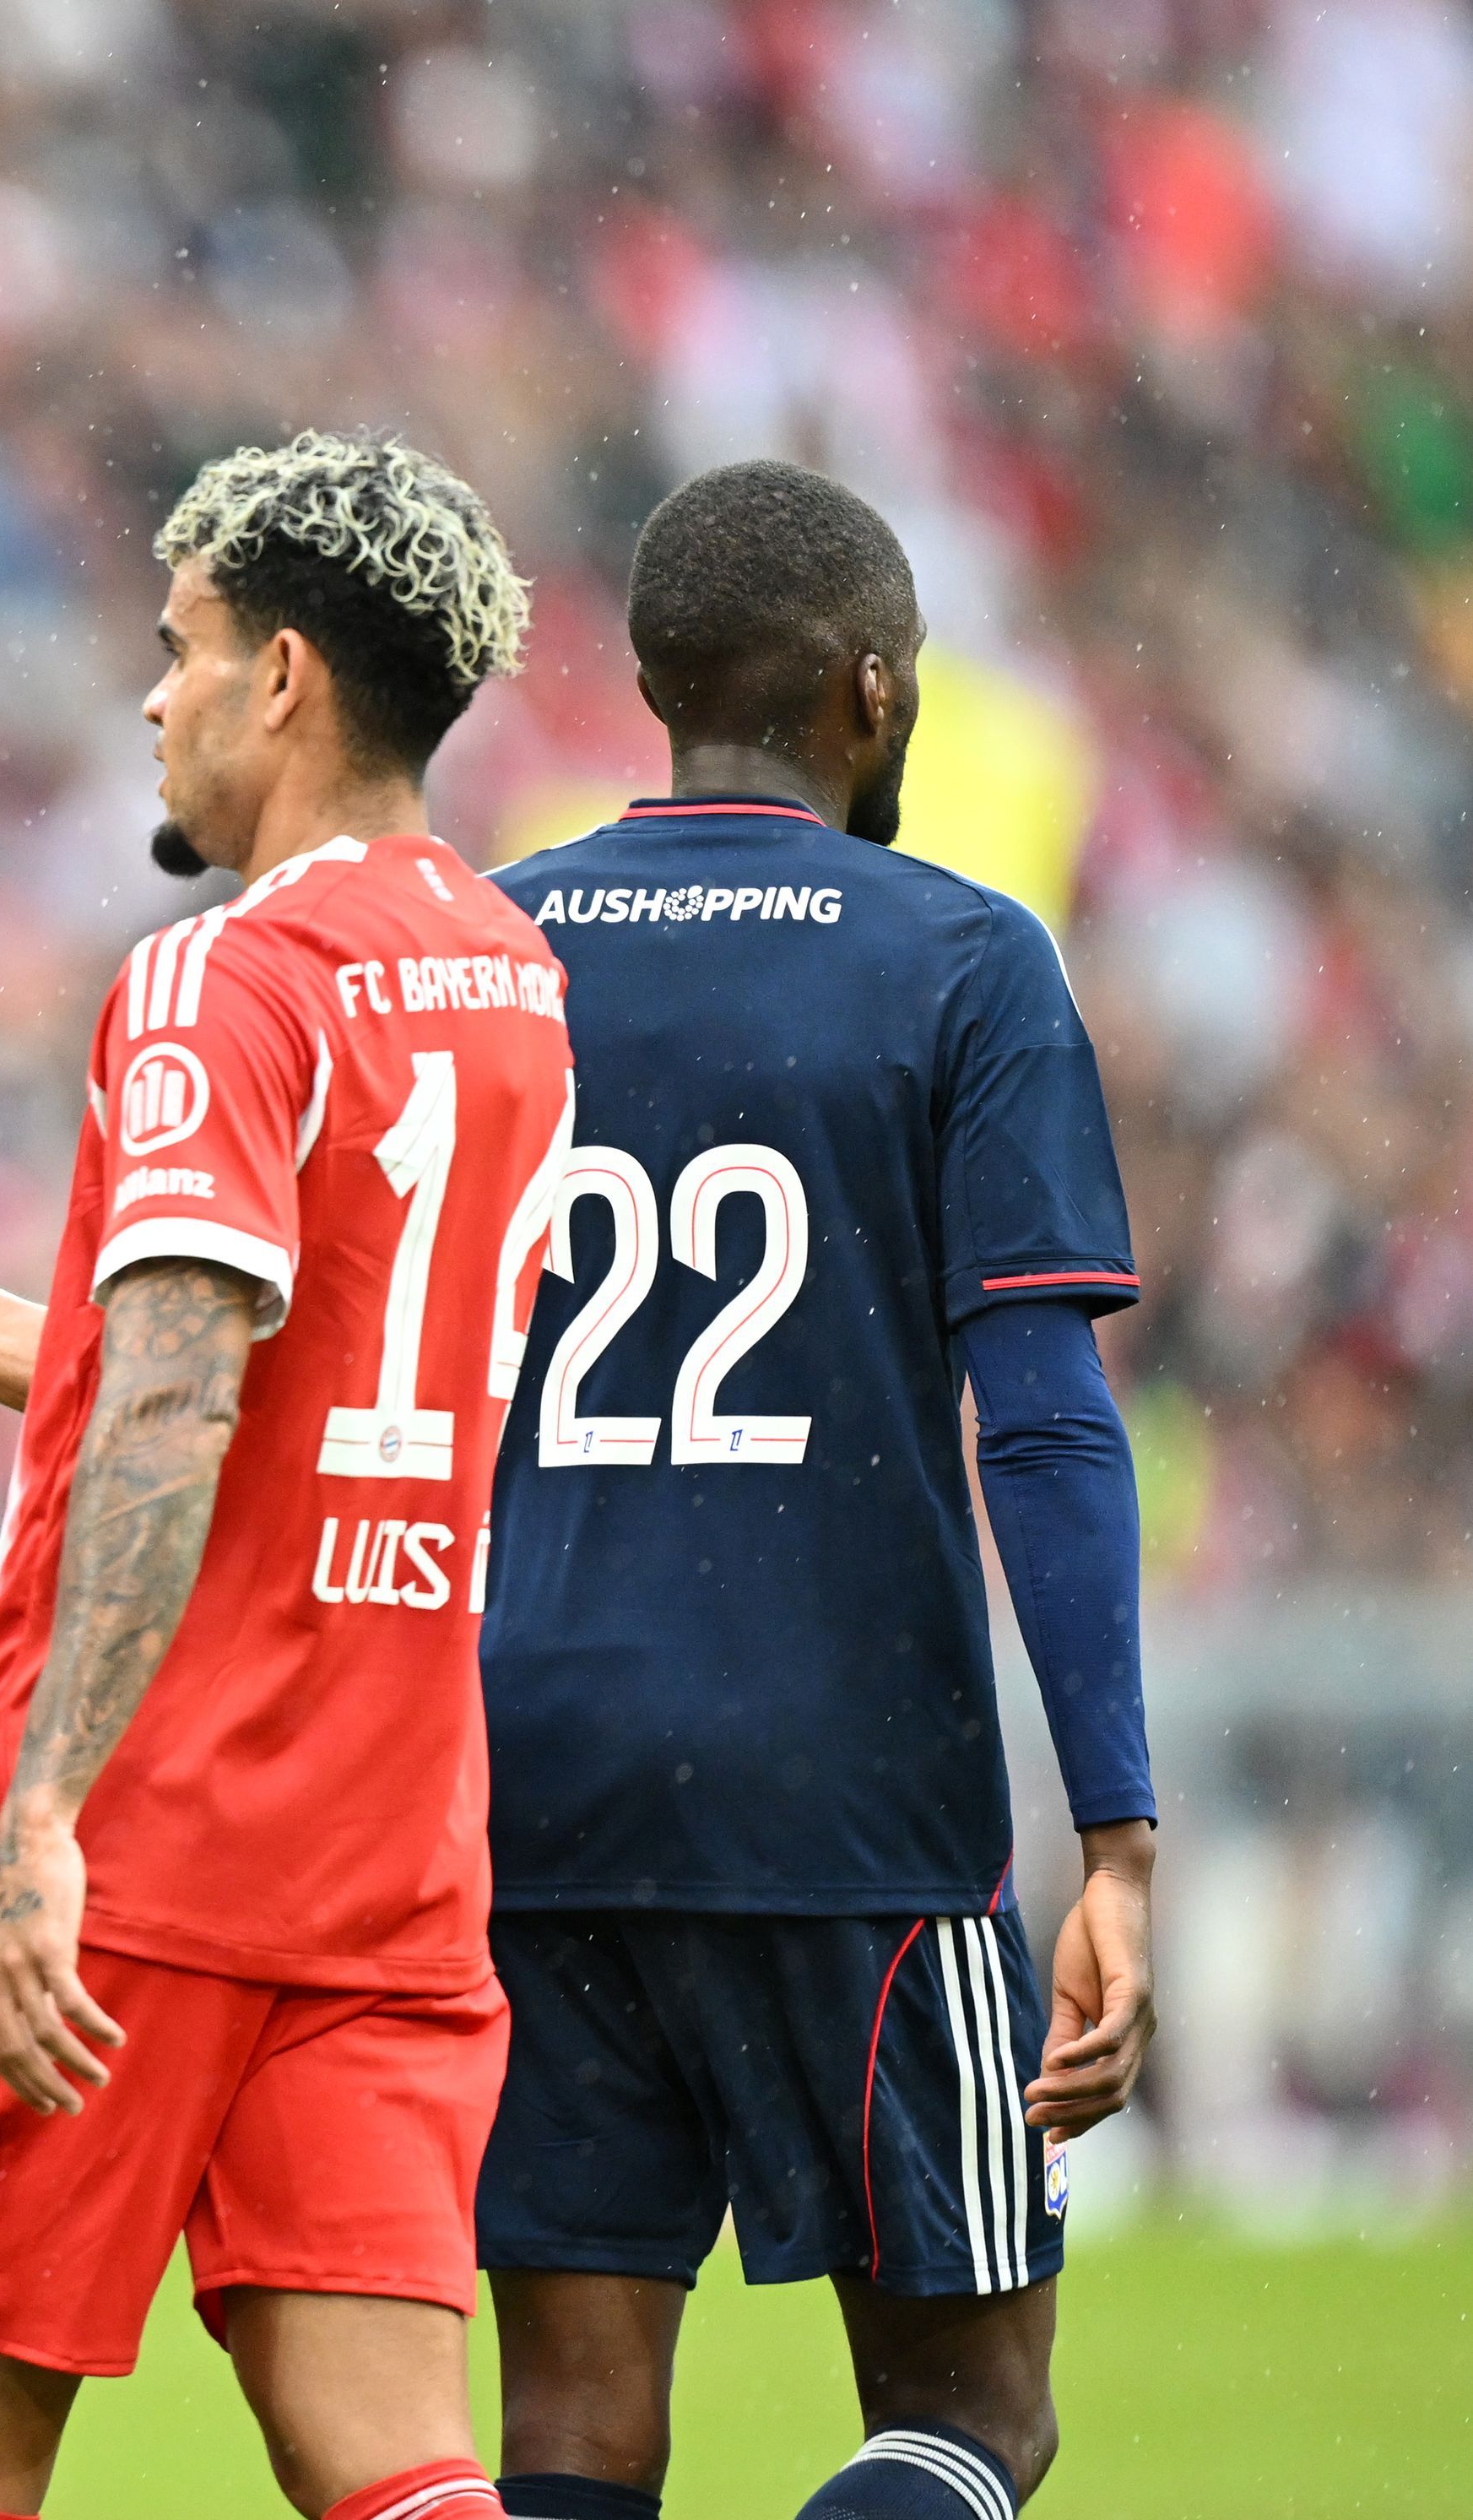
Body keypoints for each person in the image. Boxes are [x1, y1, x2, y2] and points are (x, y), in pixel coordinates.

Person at [0, 431, 573, 2520]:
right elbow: (233, 1380)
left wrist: (37, 1823)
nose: (147, 697)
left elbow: (179, 1410)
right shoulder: (506, 977)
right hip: (380, 1851)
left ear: (281, 676)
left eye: (174, 649)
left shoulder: (219, 974)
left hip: (136, 1832)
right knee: (394, 2462)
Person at [468, 461, 1156, 2520]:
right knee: (972, 2409)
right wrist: (1112, 1829)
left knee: (570, 2434)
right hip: (842, 1776)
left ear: (659, 685)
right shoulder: (958, 956)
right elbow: (1036, 1419)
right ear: (870, 688)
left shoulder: (496, 943)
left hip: (528, 1767)